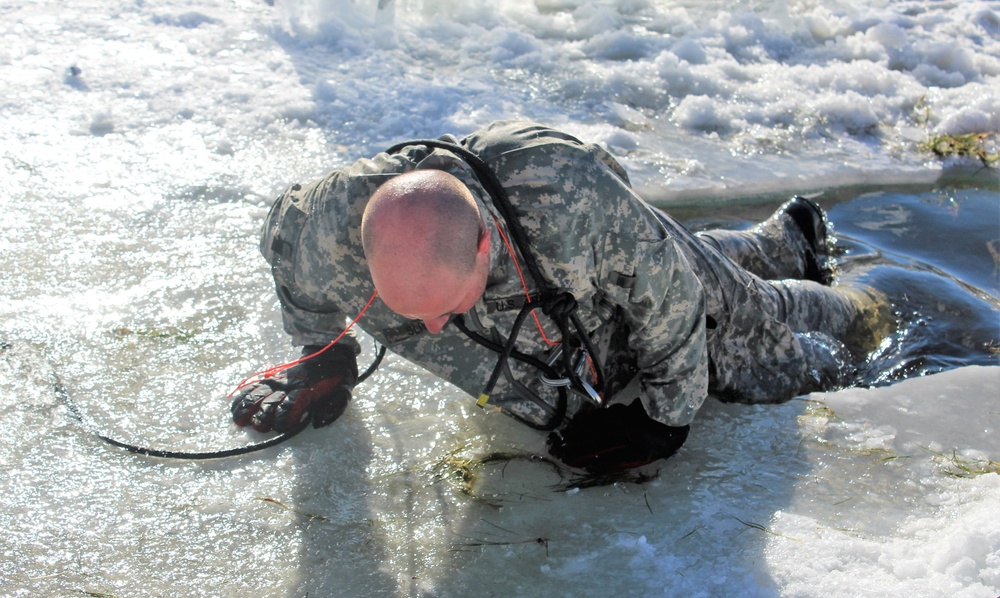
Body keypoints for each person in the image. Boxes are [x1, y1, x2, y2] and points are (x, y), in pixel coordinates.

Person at [231, 120, 891, 474]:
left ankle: (866, 296)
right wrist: (324, 354)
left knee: (766, 334)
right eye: (411, 310)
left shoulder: (567, 199)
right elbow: (284, 247)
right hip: (619, 270)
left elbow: (672, 295)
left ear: (485, 245)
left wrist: (665, 421)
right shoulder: (324, 221)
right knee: (665, 259)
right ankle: (774, 236)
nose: (432, 328)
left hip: (643, 273)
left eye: (445, 307)